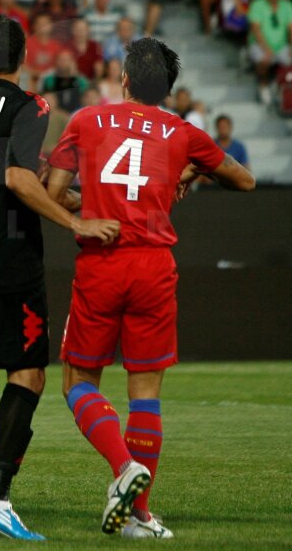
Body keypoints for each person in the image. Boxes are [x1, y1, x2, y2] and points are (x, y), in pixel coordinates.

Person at [46, 38, 254, 539]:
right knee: (146, 395)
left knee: (77, 382)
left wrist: (94, 197)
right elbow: (244, 180)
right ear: (168, 91)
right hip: (155, 268)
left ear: (124, 79)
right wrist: (188, 169)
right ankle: (140, 516)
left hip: (103, 260)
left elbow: (53, 193)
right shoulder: (183, 132)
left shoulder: (87, 120)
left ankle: (123, 468)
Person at [0, 16, 121, 540]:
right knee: (29, 373)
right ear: (24, 56)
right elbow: (16, 177)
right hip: (10, 257)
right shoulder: (31, 104)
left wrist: (67, 196)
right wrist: (77, 221)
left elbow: (9, 168)